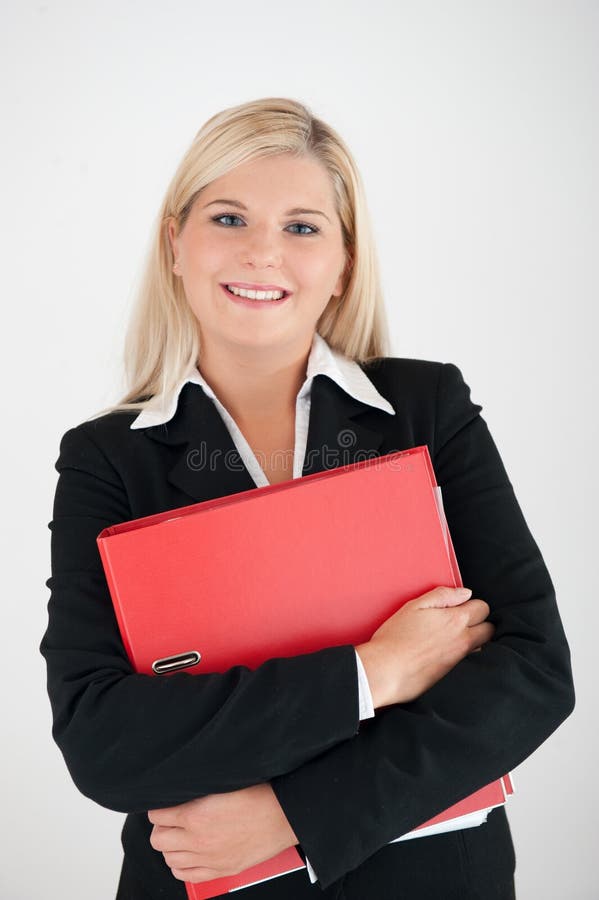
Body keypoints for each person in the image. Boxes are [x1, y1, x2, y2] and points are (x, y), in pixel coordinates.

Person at [40, 96, 574, 900]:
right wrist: (376, 671)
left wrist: (294, 813)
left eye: (301, 226)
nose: (263, 253)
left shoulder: (426, 411)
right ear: (173, 245)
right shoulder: (107, 460)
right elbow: (105, 742)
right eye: (227, 218)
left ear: (343, 263)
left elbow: (530, 673)